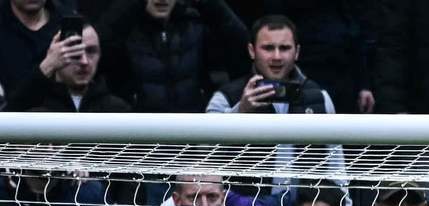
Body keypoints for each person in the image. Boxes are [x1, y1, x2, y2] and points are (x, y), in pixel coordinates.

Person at [204, 15, 346, 189]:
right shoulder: (226, 97)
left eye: (284, 48)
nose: (277, 56)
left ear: (297, 52)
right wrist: (239, 111)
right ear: (251, 50)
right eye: (268, 48)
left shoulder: (320, 97)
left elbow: (337, 165)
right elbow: (205, 156)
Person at [97, 0, 247, 113]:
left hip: (192, 132)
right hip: (139, 134)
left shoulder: (196, 23)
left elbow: (241, 45)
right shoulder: (125, 28)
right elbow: (98, 50)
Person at [4, 16, 130, 112]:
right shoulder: (35, 105)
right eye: (74, 51)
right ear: (55, 53)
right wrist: (47, 66)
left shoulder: (116, 109)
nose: (84, 62)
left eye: (91, 51)